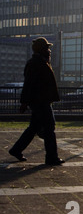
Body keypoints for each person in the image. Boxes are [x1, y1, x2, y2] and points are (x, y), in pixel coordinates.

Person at [9, 37, 65, 166]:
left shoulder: (39, 62)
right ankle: (51, 157)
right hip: (40, 101)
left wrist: (25, 101)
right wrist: (24, 102)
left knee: (33, 128)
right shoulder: (36, 63)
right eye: (47, 48)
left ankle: (16, 149)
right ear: (42, 50)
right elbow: (28, 84)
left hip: (40, 101)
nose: (49, 51)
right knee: (49, 128)